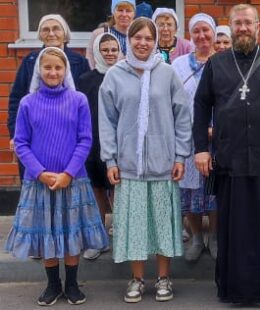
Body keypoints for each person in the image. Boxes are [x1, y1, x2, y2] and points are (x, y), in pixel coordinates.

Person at [192, 4, 260, 303]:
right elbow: (200, 107)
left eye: (248, 23)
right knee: (234, 229)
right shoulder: (217, 63)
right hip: (230, 158)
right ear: (231, 26)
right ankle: (235, 288)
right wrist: (201, 149)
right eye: (237, 23)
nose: (243, 28)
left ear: (258, 26)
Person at [4, 47, 109, 306]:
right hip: (39, 183)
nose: (53, 72)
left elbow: (85, 140)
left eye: (58, 68)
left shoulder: (78, 100)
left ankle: (72, 285)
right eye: (47, 67)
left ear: (66, 71)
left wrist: (68, 173)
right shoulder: (28, 103)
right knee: (46, 233)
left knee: (70, 232)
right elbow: (21, 142)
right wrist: (40, 173)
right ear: (39, 70)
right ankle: (53, 285)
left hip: (72, 180)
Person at [99, 18, 191, 303]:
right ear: (128, 40)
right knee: (135, 225)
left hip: (164, 164)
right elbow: (107, 121)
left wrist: (180, 155)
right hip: (129, 166)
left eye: (148, 38)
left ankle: (164, 278)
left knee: (163, 223)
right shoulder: (115, 75)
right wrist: (111, 160)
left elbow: (182, 116)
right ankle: (137, 279)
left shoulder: (167, 73)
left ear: (155, 42)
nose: (142, 43)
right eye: (137, 37)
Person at [8, 14, 90, 181]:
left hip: (69, 140)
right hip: (36, 136)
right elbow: (16, 98)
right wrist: (14, 133)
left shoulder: (79, 62)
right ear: (40, 34)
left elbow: (86, 100)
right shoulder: (30, 61)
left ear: (65, 33)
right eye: (46, 29)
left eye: (56, 29)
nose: (51, 33)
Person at [172, 13, 218, 262]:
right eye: (196, 31)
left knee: (215, 192)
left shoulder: (223, 61)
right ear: (191, 35)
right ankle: (197, 238)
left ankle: (215, 237)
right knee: (189, 192)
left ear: (213, 33)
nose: (202, 36)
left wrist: (217, 128)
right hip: (187, 139)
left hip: (219, 139)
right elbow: (173, 102)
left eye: (206, 30)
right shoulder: (178, 65)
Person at [77, 33, 122, 260]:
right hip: (92, 143)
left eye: (114, 49)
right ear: (97, 53)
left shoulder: (126, 75)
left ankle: (121, 236)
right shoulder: (85, 80)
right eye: (105, 50)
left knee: (117, 189)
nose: (110, 54)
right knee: (96, 189)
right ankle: (99, 236)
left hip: (119, 144)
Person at [86, 0, 135, 68]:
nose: (124, 14)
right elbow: (90, 62)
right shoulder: (99, 34)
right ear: (113, 12)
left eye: (128, 11)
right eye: (120, 10)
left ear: (134, 13)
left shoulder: (139, 37)